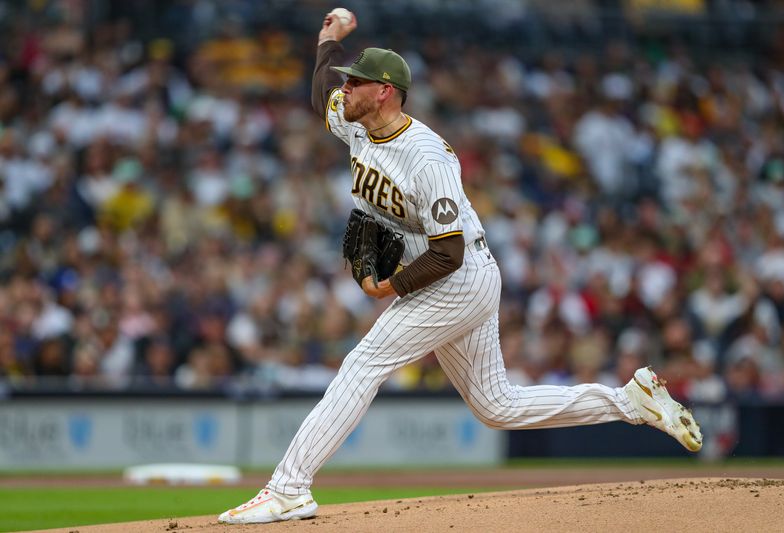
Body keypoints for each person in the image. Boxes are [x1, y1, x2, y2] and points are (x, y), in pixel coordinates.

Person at [218, 10, 703, 525]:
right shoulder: (356, 123)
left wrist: (391, 286)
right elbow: (320, 96)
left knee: (363, 365)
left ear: (385, 91)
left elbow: (447, 251)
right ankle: (629, 401)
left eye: (356, 83)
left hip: (457, 275)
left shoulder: (427, 157)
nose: (346, 90)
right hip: (448, 274)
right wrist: (327, 42)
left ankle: (289, 488)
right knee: (495, 406)